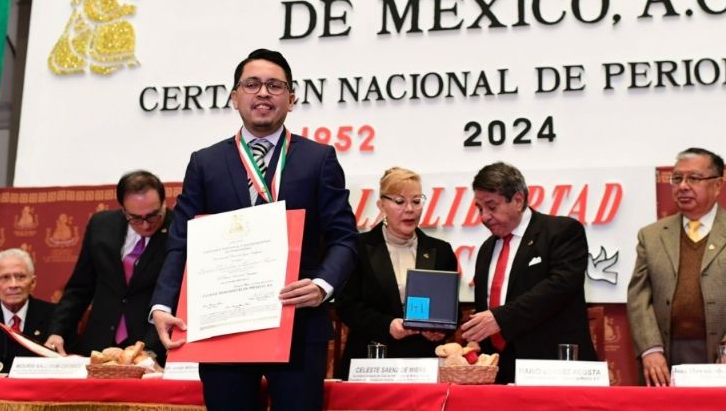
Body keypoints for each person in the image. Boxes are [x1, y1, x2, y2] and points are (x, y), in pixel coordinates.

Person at [149, 49, 358, 410]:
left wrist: (322, 286)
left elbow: (345, 238)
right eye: (252, 84)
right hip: (223, 327)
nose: (263, 93)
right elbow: (182, 242)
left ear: (292, 99)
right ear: (234, 97)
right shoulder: (205, 163)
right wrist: (162, 304)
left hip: (297, 323)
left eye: (275, 85)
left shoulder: (318, 158)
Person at [626, 148, 726, 386]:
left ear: (717, 185)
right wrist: (650, 349)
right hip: (667, 355)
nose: (683, 186)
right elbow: (639, 295)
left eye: (694, 178)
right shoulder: (651, 235)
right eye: (677, 178)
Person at [461, 162, 595, 383]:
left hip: (552, 368)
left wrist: (501, 319)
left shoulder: (562, 231)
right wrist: (477, 341)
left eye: (491, 207)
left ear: (518, 200)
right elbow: (487, 310)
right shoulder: (486, 249)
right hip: (499, 372)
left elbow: (560, 287)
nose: (484, 217)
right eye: (479, 208)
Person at [335, 167, 457, 379]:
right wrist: (387, 325)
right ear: (381, 205)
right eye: (400, 202)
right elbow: (346, 305)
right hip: (371, 361)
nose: (410, 209)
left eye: (417, 201)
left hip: (422, 365)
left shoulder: (441, 251)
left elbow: (448, 309)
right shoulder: (358, 248)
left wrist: (440, 330)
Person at [44, 170, 171, 361]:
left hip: (151, 348)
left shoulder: (180, 229)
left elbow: (177, 299)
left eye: (153, 216)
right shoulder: (101, 225)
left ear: (163, 203)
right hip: (99, 345)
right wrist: (57, 331)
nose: (145, 225)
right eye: (136, 218)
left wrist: (150, 351)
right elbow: (80, 287)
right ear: (123, 210)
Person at [0, 249, 57, 372]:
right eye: (5, 278)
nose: (13, 285)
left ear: (33, 283)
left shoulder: (56, 317)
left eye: (20, 277)